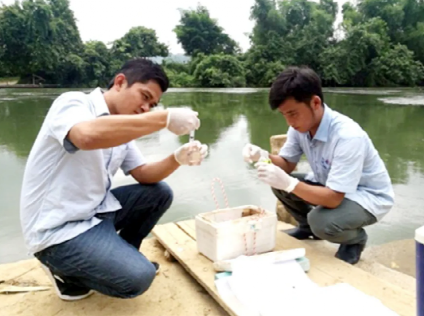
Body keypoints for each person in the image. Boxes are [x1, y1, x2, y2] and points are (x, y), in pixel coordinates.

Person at [20, 58, 208, 301]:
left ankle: (123, 255)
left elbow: (143, 173)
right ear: (120, 82)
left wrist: (177, 158)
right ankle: (64, 271)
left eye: (152, 105)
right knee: (137, 279)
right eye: (144, 96)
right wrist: (164, 118)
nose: (146, 108)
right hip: (58, 228)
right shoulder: (74, 102)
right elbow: (85, 136)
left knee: (159, 193)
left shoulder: (123, 130)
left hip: (93, 212)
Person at [243, 66, 394, 265]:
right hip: (332, 186)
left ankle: (354, 240)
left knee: (321, 222)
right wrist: (262, 155)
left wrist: (289, 183)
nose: (289, 121)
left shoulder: (347, 136)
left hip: (367, 196)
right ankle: (306, 228)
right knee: (279, 182)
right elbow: (287, 164)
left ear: (315, 102)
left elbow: (333, 199)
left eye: (293, 113)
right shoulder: (300, 127)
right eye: (284, 115)